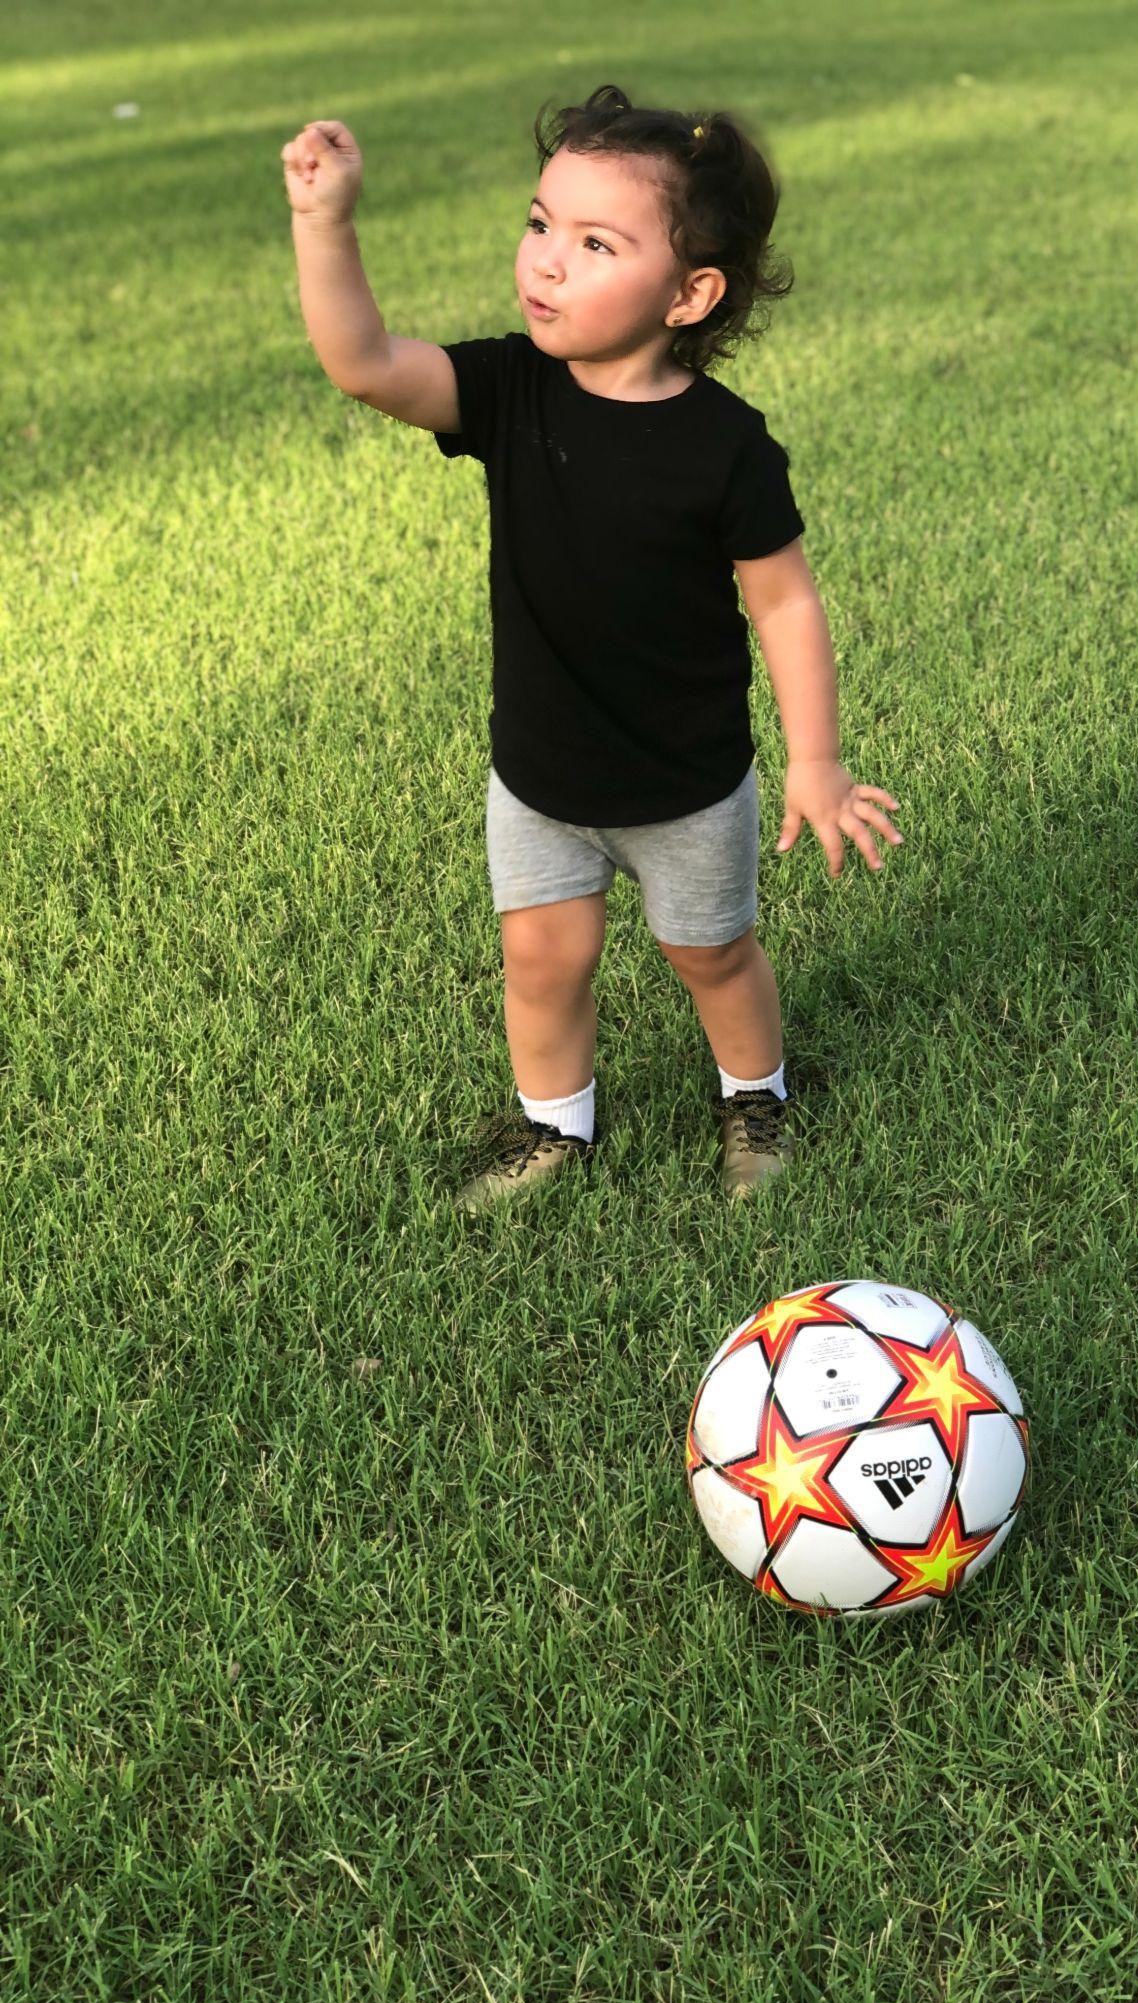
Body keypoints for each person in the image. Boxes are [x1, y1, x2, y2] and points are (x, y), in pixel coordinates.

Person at [281, 84, 901, 1209]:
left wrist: (816, 761)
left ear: (690, 293)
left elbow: (787, 606)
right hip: (542, 777)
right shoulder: (511, 389)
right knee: (543, 960)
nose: (547, 262)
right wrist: (325, 225)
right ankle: (553, 1127)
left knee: (711, 954)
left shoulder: (726, 447)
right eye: (538, 224)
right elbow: (366, 363)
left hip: (685, 785)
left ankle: (754, 1095)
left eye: (594, 241)